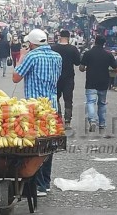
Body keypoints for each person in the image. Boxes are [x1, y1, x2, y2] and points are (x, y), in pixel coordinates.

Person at [13, 29, 62, 197]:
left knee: (34, 145)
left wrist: (21, 56)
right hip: (53, 106)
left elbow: (16, 77)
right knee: (48, 144)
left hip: (34, 108)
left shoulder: (32, 57)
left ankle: (38, 185)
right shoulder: (57, 57)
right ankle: (45, 183)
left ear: (32, 44)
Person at [80, 35, 117, 133]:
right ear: (104, 43)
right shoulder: (108, 55)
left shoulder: (88, 53)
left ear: (95, 41)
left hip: (91, 82)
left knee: (91, 102)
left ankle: (93, 120)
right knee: (102, 103)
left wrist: (87, 68)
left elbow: (81, 68)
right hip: (103, 83)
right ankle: (102, 124)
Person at [52, 29, 81, 129]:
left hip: (55, 77)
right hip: (69, 78)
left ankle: (58, 118)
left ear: (59, 36)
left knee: (55, 98)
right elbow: (78, 62)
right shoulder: (73, 49)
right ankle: (68, 121)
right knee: (68, 99)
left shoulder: (53, 48)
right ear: (69, 37)